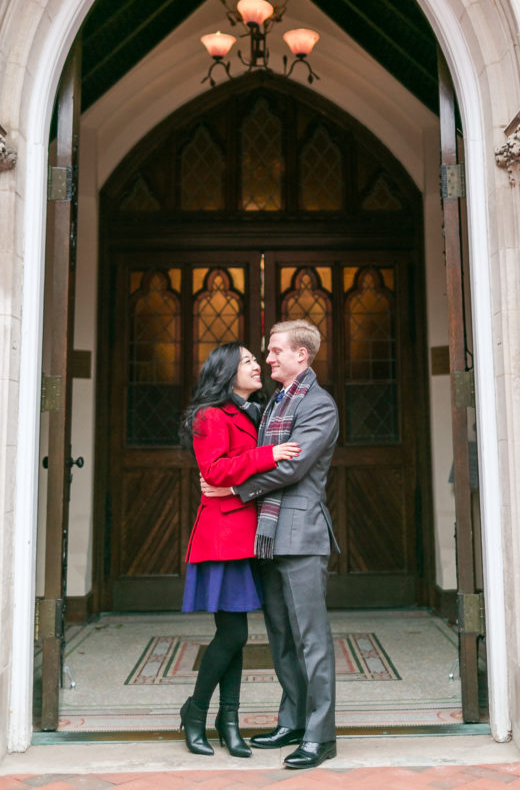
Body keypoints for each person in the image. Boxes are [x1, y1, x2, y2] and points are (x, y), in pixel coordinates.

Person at [201, 319, 340, 770]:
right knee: (281, 637)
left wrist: (234, 492)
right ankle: (292, 720)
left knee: (311, 640)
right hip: (266, 536)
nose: (268, 358)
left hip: (301, 536)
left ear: (302, 355)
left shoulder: (318, 405)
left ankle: (321, 736)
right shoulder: (272, 403)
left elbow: (292, 469)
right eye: (267, 351)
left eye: (277, 350)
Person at [179, 341, 300, 758]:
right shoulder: (210, 415)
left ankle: (228, 723)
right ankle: (195, 713)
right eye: (248, 360)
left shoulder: (256, 412)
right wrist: (269, 455)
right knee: (234, 633)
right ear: (227, 370)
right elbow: (212, 471)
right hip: (223, 537)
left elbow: (231, 472)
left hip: (247, 537)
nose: (257, 366)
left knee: (233, 636)